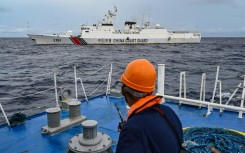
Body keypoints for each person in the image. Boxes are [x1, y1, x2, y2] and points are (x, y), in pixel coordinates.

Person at [116, 59, 183, 153]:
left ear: (123, 90)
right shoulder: (168, 111)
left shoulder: (131, 130)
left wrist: (130, 129)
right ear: (151, 91)